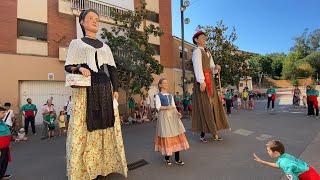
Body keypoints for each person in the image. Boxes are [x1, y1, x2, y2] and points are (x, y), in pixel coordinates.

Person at [64, 9, 127, 179]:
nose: (95, 21)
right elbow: (67, 66)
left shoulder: (106, 47)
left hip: (104, 88)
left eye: (97, 19)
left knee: (105, 127)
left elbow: (113, 71)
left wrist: (115, 90)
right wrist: (79, 68)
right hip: (85, 91)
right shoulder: (76, 44)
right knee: (83, 128)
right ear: (82, 22)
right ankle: (83, 171)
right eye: (90, 18)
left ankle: (102, 166)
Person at [191, 30, 230, 142]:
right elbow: (197, 67)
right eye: (202, 37)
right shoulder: (197, 51)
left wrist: (216, 68)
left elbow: (212, 68)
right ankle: (203, 134)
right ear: (196, 40)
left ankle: (214, 132)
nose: (204, 39)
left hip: (210, 81)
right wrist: (201, 81)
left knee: (213, 105)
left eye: (205, 37)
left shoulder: (208, 52)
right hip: (203, 81)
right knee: (205, 106)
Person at [155, 78, 189, 165]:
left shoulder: (170, 95)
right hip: (164, 117)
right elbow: (158, 107)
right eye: (164, 83)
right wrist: (166, 107)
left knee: (177, 135)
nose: (166, 84)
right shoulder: (158, 95)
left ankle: (177, 159)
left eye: (167, 83)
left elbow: (173, 106)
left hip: (173, 116)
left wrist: (178, 113)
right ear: (160, 85)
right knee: (168, 136)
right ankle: (167, 158)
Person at [253, 140, 320, 180]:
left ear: (276, 152)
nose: (267, 152)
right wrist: (262, 161)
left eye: (269, 151)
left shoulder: (284, 163)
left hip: (309, 177)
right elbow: (278, 165)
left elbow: (293, 179)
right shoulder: (285, 156)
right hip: (310, 171)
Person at [0, 106, 13, 179]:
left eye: (5, 112)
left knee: (4, 163)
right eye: (2, 113)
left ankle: (1, 176)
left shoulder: (2, 122)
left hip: (5, 147)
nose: (4, 114)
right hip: (0, 148)